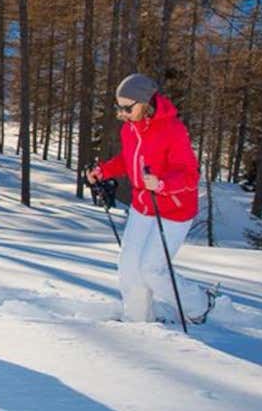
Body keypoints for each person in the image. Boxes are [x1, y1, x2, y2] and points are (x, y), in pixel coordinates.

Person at [86, 73, 218, 325]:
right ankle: (138, 322)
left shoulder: (172, 130)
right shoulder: (130, 129)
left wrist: (163, 184)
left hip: (174, 210)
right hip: (143, 206)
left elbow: (191, 174)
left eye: (127, 107)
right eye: (119, 107)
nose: (122, 113)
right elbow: (128, 160)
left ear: (145, 102)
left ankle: (199, 306)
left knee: (151, 270)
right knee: (129, 268)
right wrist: (103, 171)